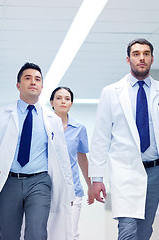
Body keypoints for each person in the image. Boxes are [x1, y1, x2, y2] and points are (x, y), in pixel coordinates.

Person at [89, 38, 159, 240]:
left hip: (156, 171)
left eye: (146, 54)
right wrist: (96, 179)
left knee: (144, 229)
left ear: (152, 59)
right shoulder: (111, 93)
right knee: (128, 227)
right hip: (126, 169)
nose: (141, 58)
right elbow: (100, 138)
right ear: (128, 59)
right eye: (136, 53)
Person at [0, 62, 75, 240]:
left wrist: (69, 192)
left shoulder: (51, 120)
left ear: (42, 86)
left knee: (37, 232)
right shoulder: (0, 115)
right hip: (9, 181)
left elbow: (62, 159)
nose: (33, 82)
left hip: (40, 182)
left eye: (37, 79)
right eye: (28, 78)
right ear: (18, 85)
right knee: (8, 234)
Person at [49, 86, 95, 239]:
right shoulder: (45, 126)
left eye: (67, 98)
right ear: (52, 102)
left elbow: (82, 159)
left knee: (71, 233)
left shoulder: (79, 128)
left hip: (73, 190)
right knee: (49, 233)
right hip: (48, 188)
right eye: (59, 98)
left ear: (71, 103)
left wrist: (90, 185)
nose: (63, 101)